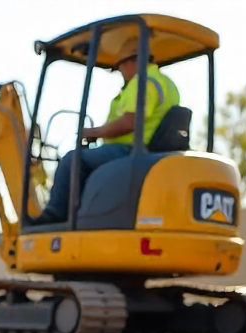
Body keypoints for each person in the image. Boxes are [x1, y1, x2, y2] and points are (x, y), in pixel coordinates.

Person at [31, 39, 180, 225]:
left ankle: (56, 215)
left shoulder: (142, 82)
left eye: (120, 67)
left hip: (131, 150)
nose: (121, 73)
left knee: (72, 160)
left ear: (132, 61)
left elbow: (131, 121)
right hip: (150, 151)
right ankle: (80, 213)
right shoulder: (167, 84)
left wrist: (95, 132)